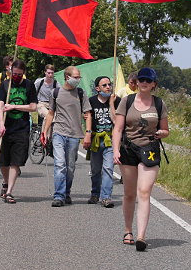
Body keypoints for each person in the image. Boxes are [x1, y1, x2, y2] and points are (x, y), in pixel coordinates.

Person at [112, 67, 169, 251]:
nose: (143, 82)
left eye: (148, 80)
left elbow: (166, 130)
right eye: (141, 79)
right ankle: (128, 230)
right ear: (136, 82)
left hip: (149, 150)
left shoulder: (159, 104)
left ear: (154, 84)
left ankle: (141, 236)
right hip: (128, 149)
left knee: (144, 191)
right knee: (130, 193)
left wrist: (163, 133)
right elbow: (118, 128)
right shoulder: (127, 101)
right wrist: (115, 150)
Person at [41, 66, 91, 207]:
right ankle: (59, 196)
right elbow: (51, 113)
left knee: (70, 167)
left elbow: (88, 114)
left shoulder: (81, 93)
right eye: (76, 77)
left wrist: (88, 133)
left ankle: (66, 192)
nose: (78, 80)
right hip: (58, 133)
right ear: (67, 77)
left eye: (79, 77)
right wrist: (45, 132)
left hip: (74, 135)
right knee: (60, 165)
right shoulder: (55, 93)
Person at [0, 59, 37, 203]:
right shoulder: (5, 84)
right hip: (6, 126)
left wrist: (14, 107)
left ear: (23, 73)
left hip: (22, 127)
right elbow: (0, 104)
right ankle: (5, 181)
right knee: (3, 161)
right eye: (14, 74)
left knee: (16, 161)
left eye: (19, 74)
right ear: (10, 72)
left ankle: (9, 192)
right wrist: (1, 124)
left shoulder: (29, 85)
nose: (16, 77)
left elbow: (33, 107)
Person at [86, 76, 120, 208]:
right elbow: (86, 117)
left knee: (108, 169)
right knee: (95, 170)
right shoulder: (91, 101)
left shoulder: (116, 101)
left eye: (109, 84)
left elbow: (116, 122)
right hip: (96, 140)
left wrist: (111, 104)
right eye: (104, 85)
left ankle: (106, 197)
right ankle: (95, 193)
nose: (108, 87)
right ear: (97, 88)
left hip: (110, 140)